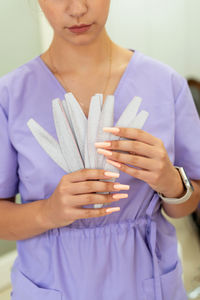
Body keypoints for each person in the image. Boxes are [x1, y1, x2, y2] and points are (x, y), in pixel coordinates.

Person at [0, 1, 200, 299]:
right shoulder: (11, 95)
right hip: (52, 284)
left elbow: (187, 203)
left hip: (146, 282)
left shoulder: (165, 84)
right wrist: (48, 212)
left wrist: (171, 182)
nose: (77, 8)